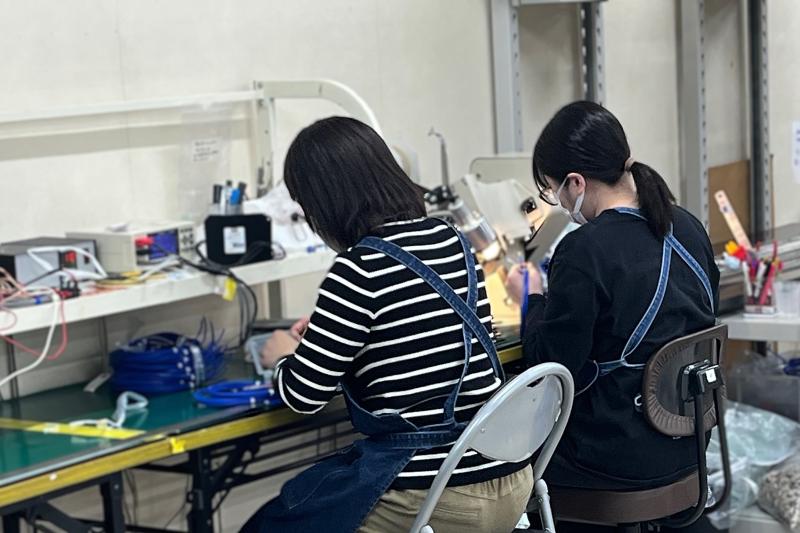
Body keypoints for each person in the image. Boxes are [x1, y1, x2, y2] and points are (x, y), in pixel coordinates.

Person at [242, 116, 533, 533]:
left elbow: (303, 396)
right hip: (511, 478)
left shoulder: (357, 269)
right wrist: (333, 335)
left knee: (271, 524)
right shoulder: (453, 240)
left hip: (440, 496)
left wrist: (284, 357)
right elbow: (408, 335)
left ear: (325, 202)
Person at [506, 101, 719, 495]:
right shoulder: (688, 226)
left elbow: (551, 365)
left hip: (616, 455)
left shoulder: (584, 249)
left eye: (554, 192)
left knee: (505, 468)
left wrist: (530, 298)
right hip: (691, 444)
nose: (560, 204)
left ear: (575, 183)